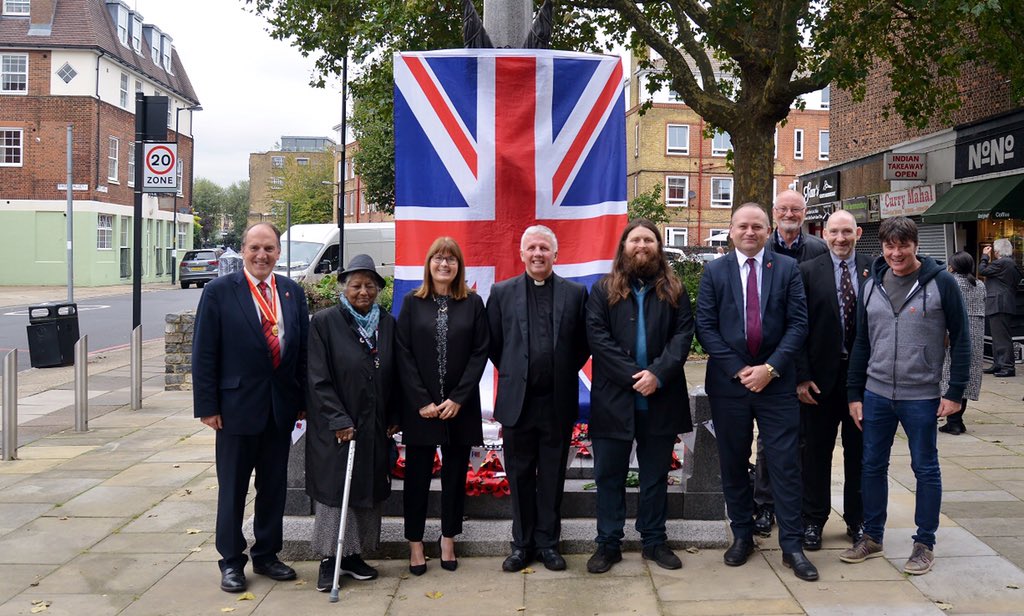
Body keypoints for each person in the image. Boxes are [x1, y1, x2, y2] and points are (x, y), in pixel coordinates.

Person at [696, 203, 817, 581]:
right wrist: (738, 369)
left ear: (768, 231)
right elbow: (705, 326)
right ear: (731, 231)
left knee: (784, 464)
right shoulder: (714, 271)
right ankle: (742, 535)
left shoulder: (786, 269)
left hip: (777, 384)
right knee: (733, 461)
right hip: (729, 386)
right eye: (743, 226)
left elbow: (799, 324)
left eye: (757, 226)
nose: (750, 232)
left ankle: (792, 546)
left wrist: (770, 368)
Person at [842, 216, 970, 576]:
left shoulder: (941, 283)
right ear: (881, 246)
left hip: (922, 396)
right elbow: (862, 344)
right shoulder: (872, 284)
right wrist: (855, 394)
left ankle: (924, 543)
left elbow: (962, 340)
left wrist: (955, 391)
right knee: (871, 466)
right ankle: (872, 535)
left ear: (915, 245)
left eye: (903, 245)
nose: (896, 253)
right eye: (889, 246)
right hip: (876, 393)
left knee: (925, 468)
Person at [192, 222, 308, 593]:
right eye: (255, 248)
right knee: (233, 489)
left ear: (278, 252)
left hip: (279, 409)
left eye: (270, 249)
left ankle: (268, 554)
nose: (262, 255)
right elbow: (204, 352)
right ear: (243, 250)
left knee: (273, 486)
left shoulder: (292, 292)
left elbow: (301, 353)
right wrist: (207, 406)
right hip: (235, 409)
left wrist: (302, 401)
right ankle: (231, 560)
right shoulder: (219, 292)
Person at [584, 218, 694, 574]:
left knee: (654, 476)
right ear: (624, 247)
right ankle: (608, 543)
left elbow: (682, 338)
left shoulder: (675, 290)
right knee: (609, 477)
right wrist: (637, 376)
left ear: (658, 247)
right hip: (614, 401)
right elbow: (597, 339)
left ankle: (653, 541)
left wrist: (657, 375)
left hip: (660, 401)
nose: (642, 246)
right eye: (635, 240)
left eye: (648, 240)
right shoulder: (602, 291)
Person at [487, 226, 590, 572]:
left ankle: (548, 544)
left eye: (544, 248)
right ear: (521, 254)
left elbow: (581, 345)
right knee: (518, 476)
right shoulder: (501, 293)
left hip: (556, 402)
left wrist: (555, 370)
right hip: (519, 402)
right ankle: (521, 545)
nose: (537, 253)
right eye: (531, 247)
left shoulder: (576, 293)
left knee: (551, 476)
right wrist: (520, 372)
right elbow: (495, 344)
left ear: (555, 255)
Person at [305, 255, 399, 592]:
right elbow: (317, 377)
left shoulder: (387, 323)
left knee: (368, 489)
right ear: (344, 288)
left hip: (374, 424)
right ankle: (330, 560)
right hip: (338, 427)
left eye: (369, 285)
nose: (363, 292)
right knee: (335, 492)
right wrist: (338, 419)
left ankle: (355, 555)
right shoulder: (324, 323)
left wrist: (395, 416)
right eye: (356, 285)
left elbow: (398, 373)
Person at [396, 237, 489, 575]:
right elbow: (402, 353)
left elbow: (481, 352)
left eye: (451, 259)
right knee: (416, 477)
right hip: (421, 408)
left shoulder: (473, 303)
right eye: (438, 258)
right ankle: (416, 543)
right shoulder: (411, 302)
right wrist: (422, 400)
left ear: (459, 266)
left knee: (454, 476)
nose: (444, 264)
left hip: (458, 408)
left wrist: (459, 398)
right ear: (429, 264)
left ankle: (448, 538)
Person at [752, 189, 829, 536]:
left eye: (796, 209)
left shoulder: (817, 249)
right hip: (768, 357)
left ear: (805, 212)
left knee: (802, 440)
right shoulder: (761, 247)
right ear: (773, 212)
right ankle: (765, 505)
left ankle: (794, 506)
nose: (789, 214)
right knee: (770, 439)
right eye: (783, 208)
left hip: (805, 353)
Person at [795, 210, 872, 551]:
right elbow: (796, 328)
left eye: (846, 232)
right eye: (834, 233)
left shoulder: (877, 268)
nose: (841, 239)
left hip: (864, 380)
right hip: (819, 381)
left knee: (860, 453)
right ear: (823, 234)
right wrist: (801, 377)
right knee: (816, 453)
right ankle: (813, 520)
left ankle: (857, 520)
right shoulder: (808, 272)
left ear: (857, 232)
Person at [938, 251, 986, 435]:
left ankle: (954, 421)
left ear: (953, 266)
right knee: (966, 377)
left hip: (954, 334)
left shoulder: (951, 283)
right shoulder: (980, 285)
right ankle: (956, 420)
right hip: (976, 335)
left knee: (950, 375)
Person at [980, 239, 1021, 378]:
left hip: (999, 303)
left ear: (997, 251)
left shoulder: (1002, 262)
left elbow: (982, 270)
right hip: (1003, 302)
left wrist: (985, 256)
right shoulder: (1011, 264)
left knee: (1002, 337)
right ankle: (999, 363)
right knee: (998, 337)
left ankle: (1007, 366)